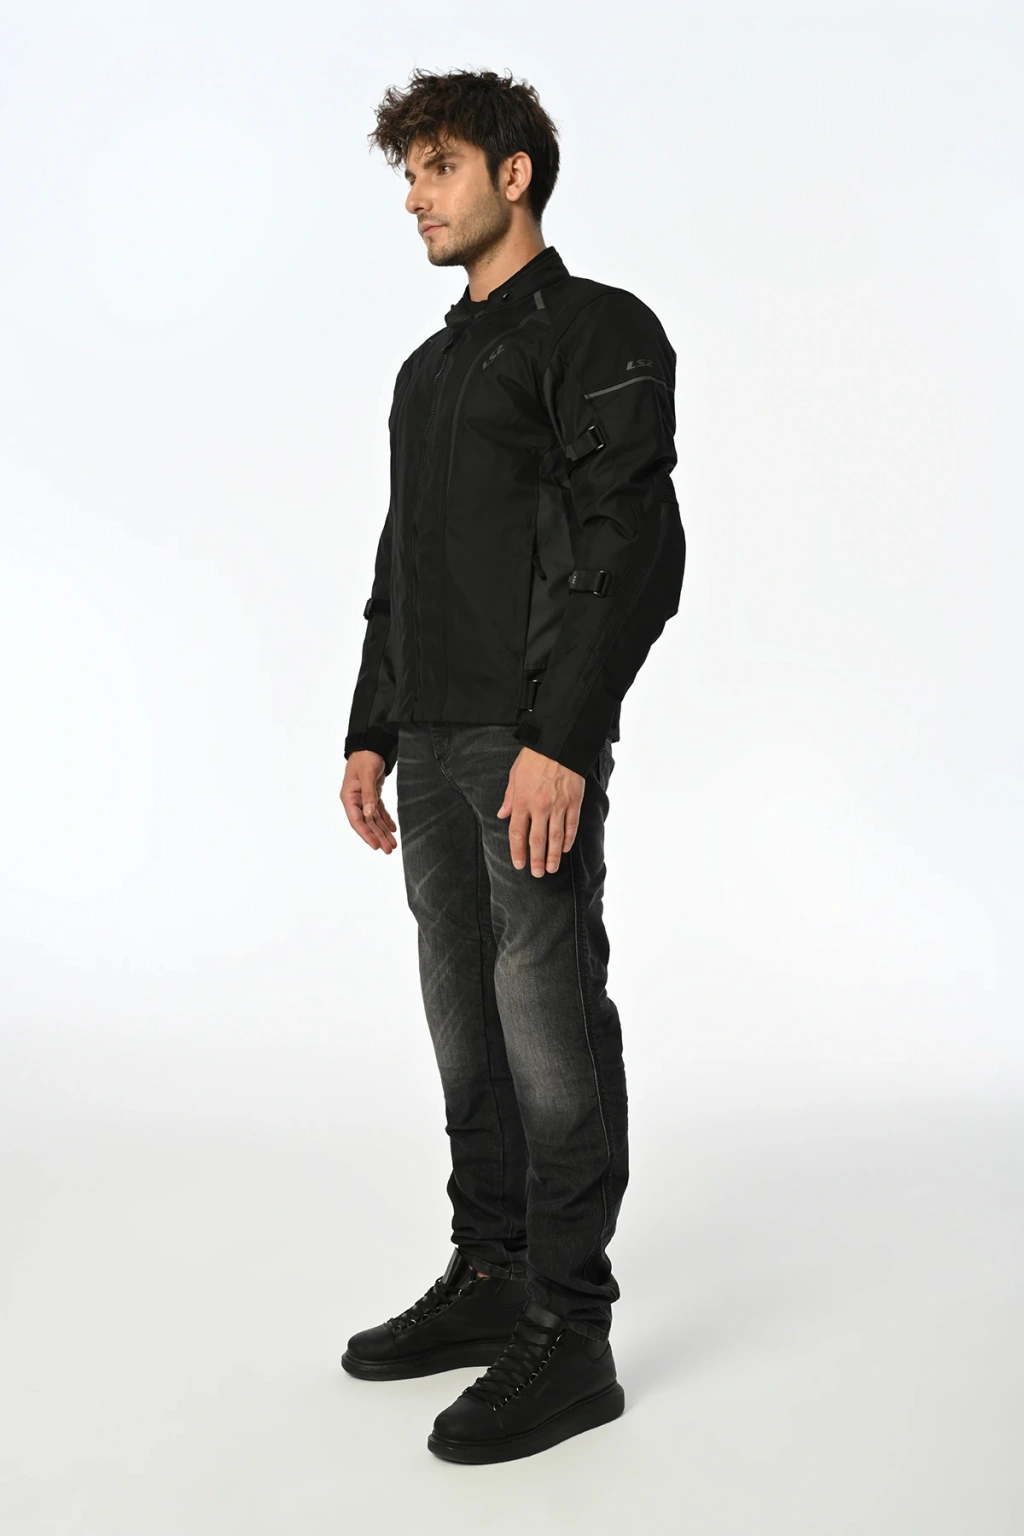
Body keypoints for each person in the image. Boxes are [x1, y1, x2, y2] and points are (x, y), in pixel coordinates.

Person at [337, 66, 685, 1464]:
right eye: (409, 174)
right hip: (431, 740)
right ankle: (490, 1274)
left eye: (437, 168)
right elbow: (402, 563)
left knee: (546, 1015)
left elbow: (634, 547)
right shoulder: (428, 373)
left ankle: (570, 1329)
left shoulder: (598, 330)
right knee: (463, 1015)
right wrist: (371, 726)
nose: (414, 199)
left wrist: (562, 738)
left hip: (525, 736)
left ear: (513, 173)